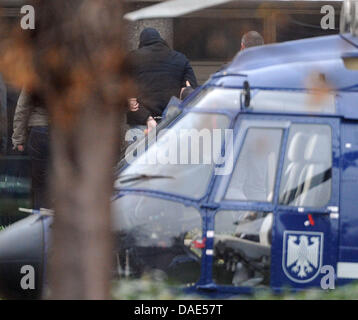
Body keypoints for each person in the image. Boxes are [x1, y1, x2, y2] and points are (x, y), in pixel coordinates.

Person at [126, 28, 198, 137]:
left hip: (142, 125)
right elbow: (191, 91)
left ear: (141, 43)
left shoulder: (132, 59)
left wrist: (147, 118)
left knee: (141, 154)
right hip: (172, 123)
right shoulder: (180, 59)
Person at [12, 89, 50, 209]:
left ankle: (39, 222)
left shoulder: (35, 72)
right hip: (63, 133)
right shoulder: (71, 71)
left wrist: (18, 138)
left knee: (39, 185)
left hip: (39, 130)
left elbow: (23, 106)